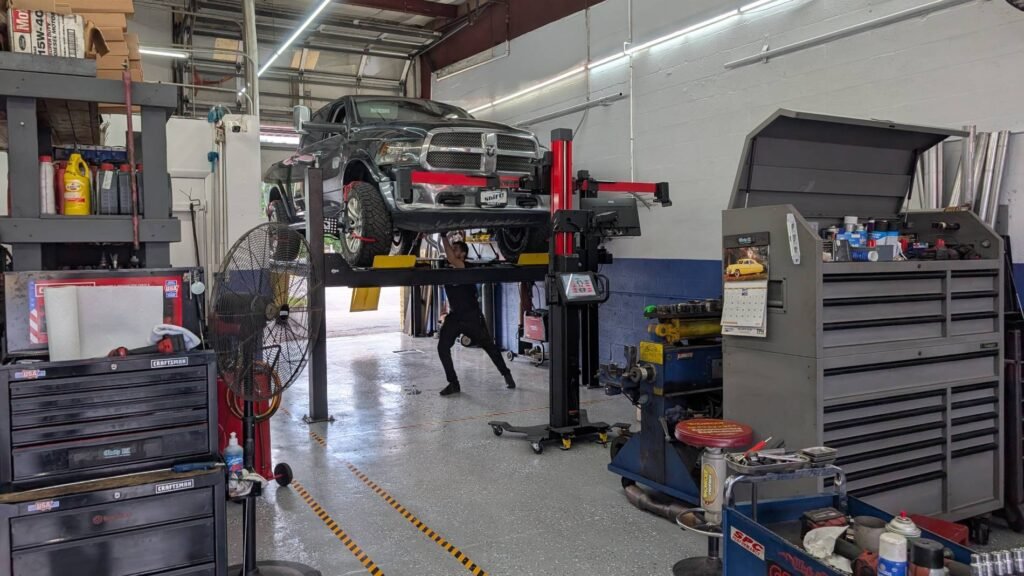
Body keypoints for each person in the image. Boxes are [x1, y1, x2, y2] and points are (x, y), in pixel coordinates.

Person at [437, 234, 516, 396]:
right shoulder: (447, 270)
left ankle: (506, 374)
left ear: (463, 254)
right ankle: (453, 383)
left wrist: (443, 235)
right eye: (451, 249)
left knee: (489, 346)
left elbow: (451, 258)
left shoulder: (465, 266)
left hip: (472, 316)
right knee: (442, 347)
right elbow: (447, 257)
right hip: (455, 316)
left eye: (455, 249)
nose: (451, 251)